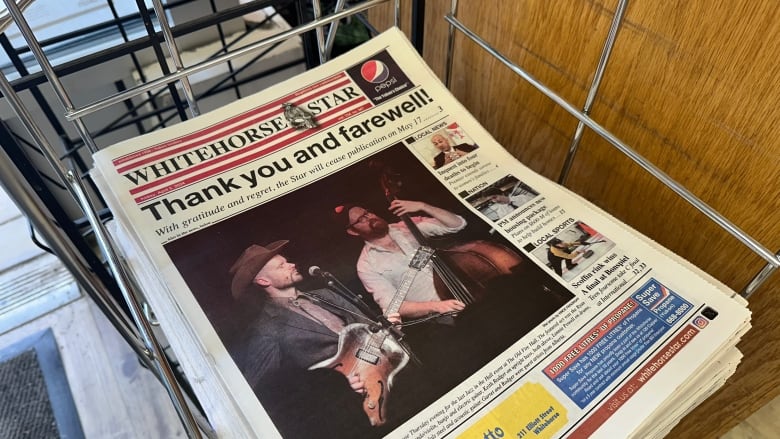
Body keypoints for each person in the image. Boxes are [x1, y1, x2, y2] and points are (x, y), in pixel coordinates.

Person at [228, 240, 412, 437]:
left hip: (396, 379)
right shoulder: (267, 328)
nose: (291, 264)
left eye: (287, 261)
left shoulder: (326, 295)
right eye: (281, 266)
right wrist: (334, 384)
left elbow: (370, 329)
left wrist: (389, 329)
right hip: (350, 416)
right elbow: (262, 388)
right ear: (264, 281)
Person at [335, 200, 468, 320]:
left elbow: (457, 224)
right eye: (361, 219)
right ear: (353, 231)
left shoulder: (407, 226)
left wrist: (423, 206)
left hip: (469, 288)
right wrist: (438, 306)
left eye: (368, 213)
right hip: (445, 316)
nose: (370, 217)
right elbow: (394, 306)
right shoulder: (366, 265)